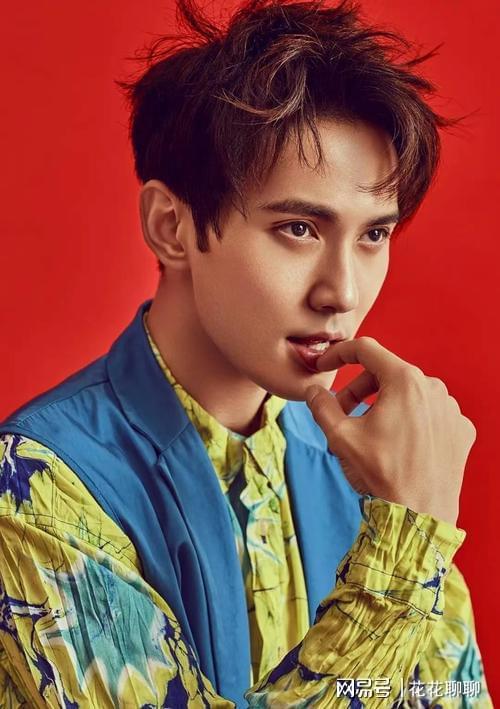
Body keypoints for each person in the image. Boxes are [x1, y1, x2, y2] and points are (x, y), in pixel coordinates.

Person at [0, 0, 492, 706]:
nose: (343, 291)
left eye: (373, 235)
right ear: (172, 226)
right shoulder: (36, 485)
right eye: (298, 228)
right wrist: (403, 552)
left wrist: (406, 524)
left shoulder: (379, 468)